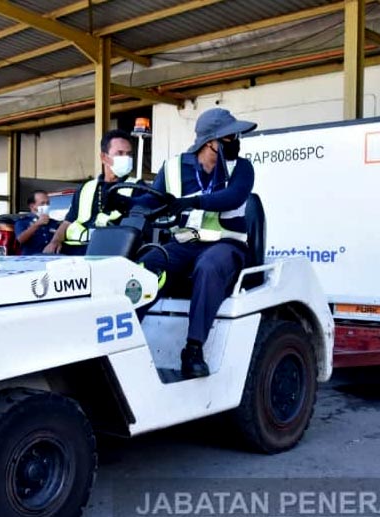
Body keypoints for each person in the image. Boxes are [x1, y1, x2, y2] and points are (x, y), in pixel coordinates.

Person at [136, 107, 257, 379]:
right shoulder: (174, 168)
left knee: (209, 266)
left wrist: (194, 201)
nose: (237, 140)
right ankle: (127, 340)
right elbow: (154, 199)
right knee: (146, 264)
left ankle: (193, 350)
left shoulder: (242, 168)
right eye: (231, 136)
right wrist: (128, 203)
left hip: (228, 246)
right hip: (184, 245)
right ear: (212, 142)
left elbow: (234, 197)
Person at [44, 128, 135, 255]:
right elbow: (68, 221)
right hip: (74, 251)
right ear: (104, 157)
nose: (126, 158)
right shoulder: (86, 188)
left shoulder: (137, 188)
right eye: (120, 153)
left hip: (110, 253)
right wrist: (55, 241)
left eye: (129, 154)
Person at [15, 190, 60, 255]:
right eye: (42, 203)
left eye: (47, 203)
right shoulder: (23, 222)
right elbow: (20, 240)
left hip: (51, 257)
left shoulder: (54, 223)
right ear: (32, 206)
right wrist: (36, 225)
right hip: (31, 259)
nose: (46, 206)